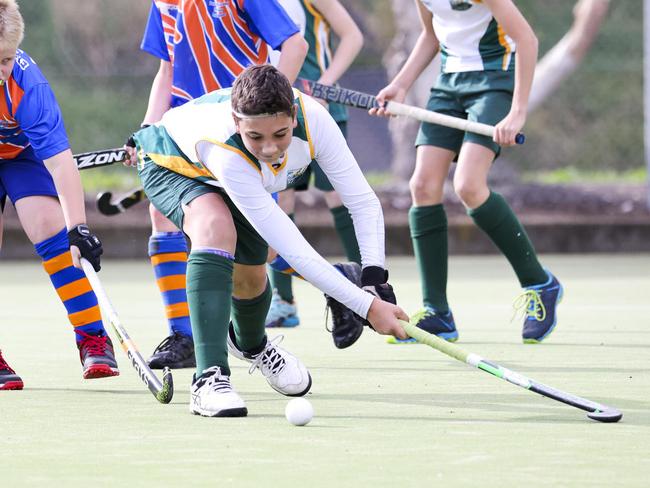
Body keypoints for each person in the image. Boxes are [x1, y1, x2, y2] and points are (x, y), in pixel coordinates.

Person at [128, 64, 408, 417]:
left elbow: (362, 202)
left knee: (251, 274)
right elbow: (293, 247)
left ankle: (251, 345)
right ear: (236, 120)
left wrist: (374, 281)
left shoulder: (316, 120)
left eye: (279, 134)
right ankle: (208, 378)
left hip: (235, 175)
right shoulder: (226, 151)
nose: (270, 148)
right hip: (172, 161)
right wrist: (366, 307)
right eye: (255, 137)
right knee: (215, 227)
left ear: (292, 114)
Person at [371, 0, 563, 344]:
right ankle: (438, 313)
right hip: (449, 84)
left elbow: (526, 39)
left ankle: (539, 282)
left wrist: (517, 112)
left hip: (494, 81)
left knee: (469, 186)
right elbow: (431, 36)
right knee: (423, 186)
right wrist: (401, 84)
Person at [133, 0, 308, 370]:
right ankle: (184, 335)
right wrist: (148, 126)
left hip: (241, 137)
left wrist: (272, 112)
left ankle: (331, 288)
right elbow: (167, 69)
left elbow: (296, 45)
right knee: (162, 214)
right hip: (183, 133)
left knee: (263, 254)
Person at [0, 0, 118, 390]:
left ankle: (93, 340)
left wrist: (78, 227)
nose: (4, 70)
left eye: (8, 58)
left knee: (52, 230)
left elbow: (60, 162)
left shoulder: (27, 84)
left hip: (20, 156)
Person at [264, 0, 363, 333]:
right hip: (275, 111)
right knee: (281, 198)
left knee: (336, 195)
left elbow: (352, 36)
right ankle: (284, 301)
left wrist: (326, 83)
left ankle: (366, 288)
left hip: (319, 109)